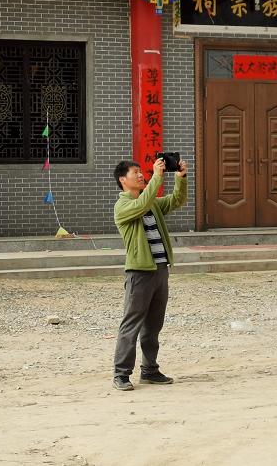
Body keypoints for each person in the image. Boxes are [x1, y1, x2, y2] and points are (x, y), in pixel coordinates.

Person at [112, 156, 188, 391]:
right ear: (123, 180)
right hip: (139, 273)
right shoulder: (123, 206)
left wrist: (180, 178)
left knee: (153, 325)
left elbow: (176, 200)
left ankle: (150, 371)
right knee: (131, 324)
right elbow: (142, 205)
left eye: (141, 172)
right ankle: (121, 374)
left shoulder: (151, 202)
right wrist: (157, 177)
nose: (140, 175)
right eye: (135, 172)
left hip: (160, 270)